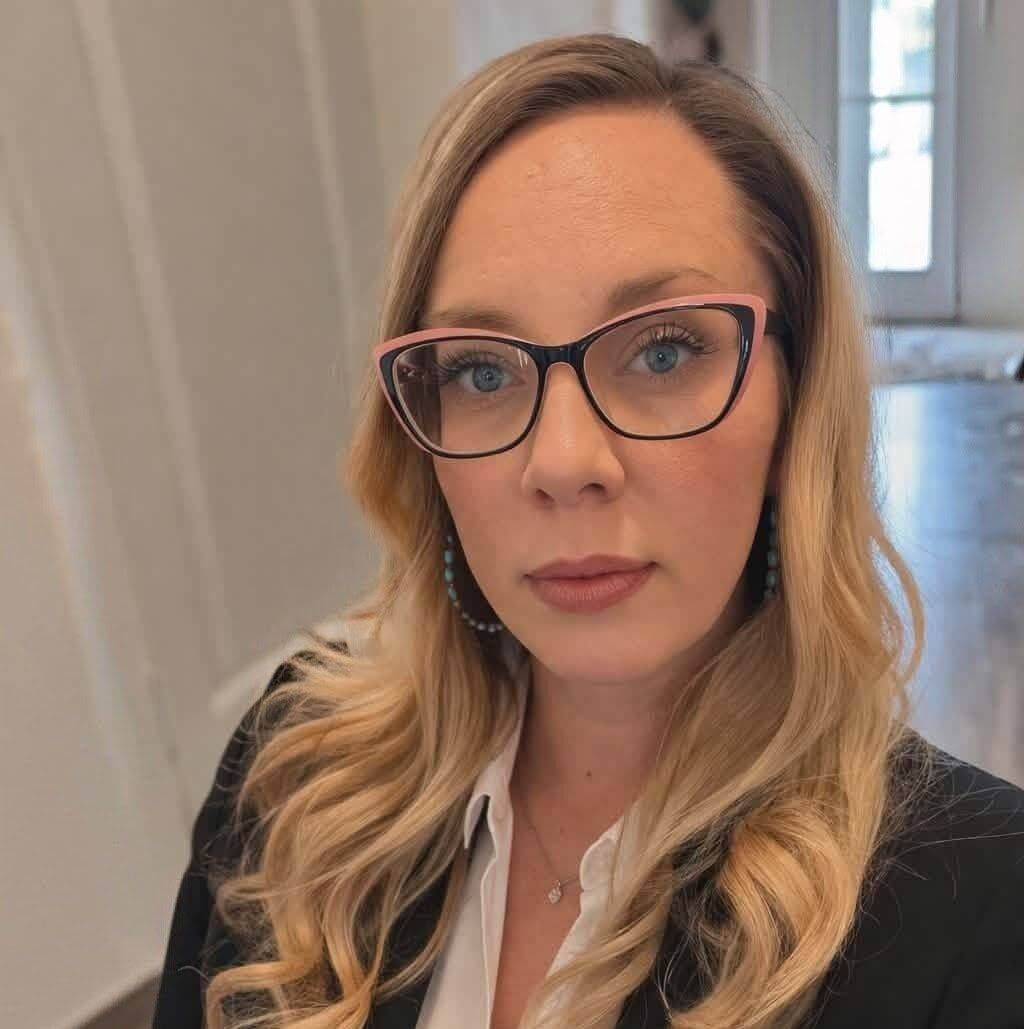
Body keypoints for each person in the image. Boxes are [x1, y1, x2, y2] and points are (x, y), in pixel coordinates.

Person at [152, 32, 1024, 1029]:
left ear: (796, 400)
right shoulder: (294, 773)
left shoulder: (978, 906)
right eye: (482, 370)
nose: (564, 462)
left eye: (663, 350)